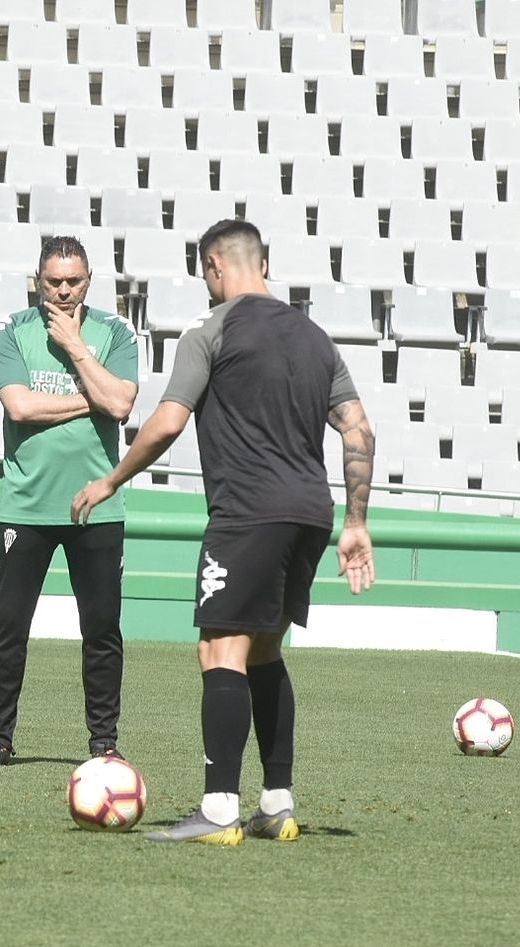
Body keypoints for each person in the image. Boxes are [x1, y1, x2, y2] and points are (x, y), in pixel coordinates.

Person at [72, 219, 376, 845]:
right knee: (264, 650)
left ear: (214, 266)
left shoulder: (209, 331)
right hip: (311, 514)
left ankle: (217, 811)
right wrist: (355, 523)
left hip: (247, 513)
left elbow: (164, 423)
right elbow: (359, 432)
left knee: (220, 652)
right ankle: (277, 803)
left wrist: (111, 479)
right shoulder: (318, 339)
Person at [0, 235, 139, 769]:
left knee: (102, 630)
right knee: (8, 627)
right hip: (26, 504)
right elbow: (18, 407)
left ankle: (103, 743)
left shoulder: (114, 332)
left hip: (97, 504)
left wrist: (75, 348)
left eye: (74, 281)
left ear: (89, 280)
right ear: (37, 281)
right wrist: (93, 400)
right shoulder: (11, 331)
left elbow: (124, 403)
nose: (63, 292)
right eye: (53, 282)